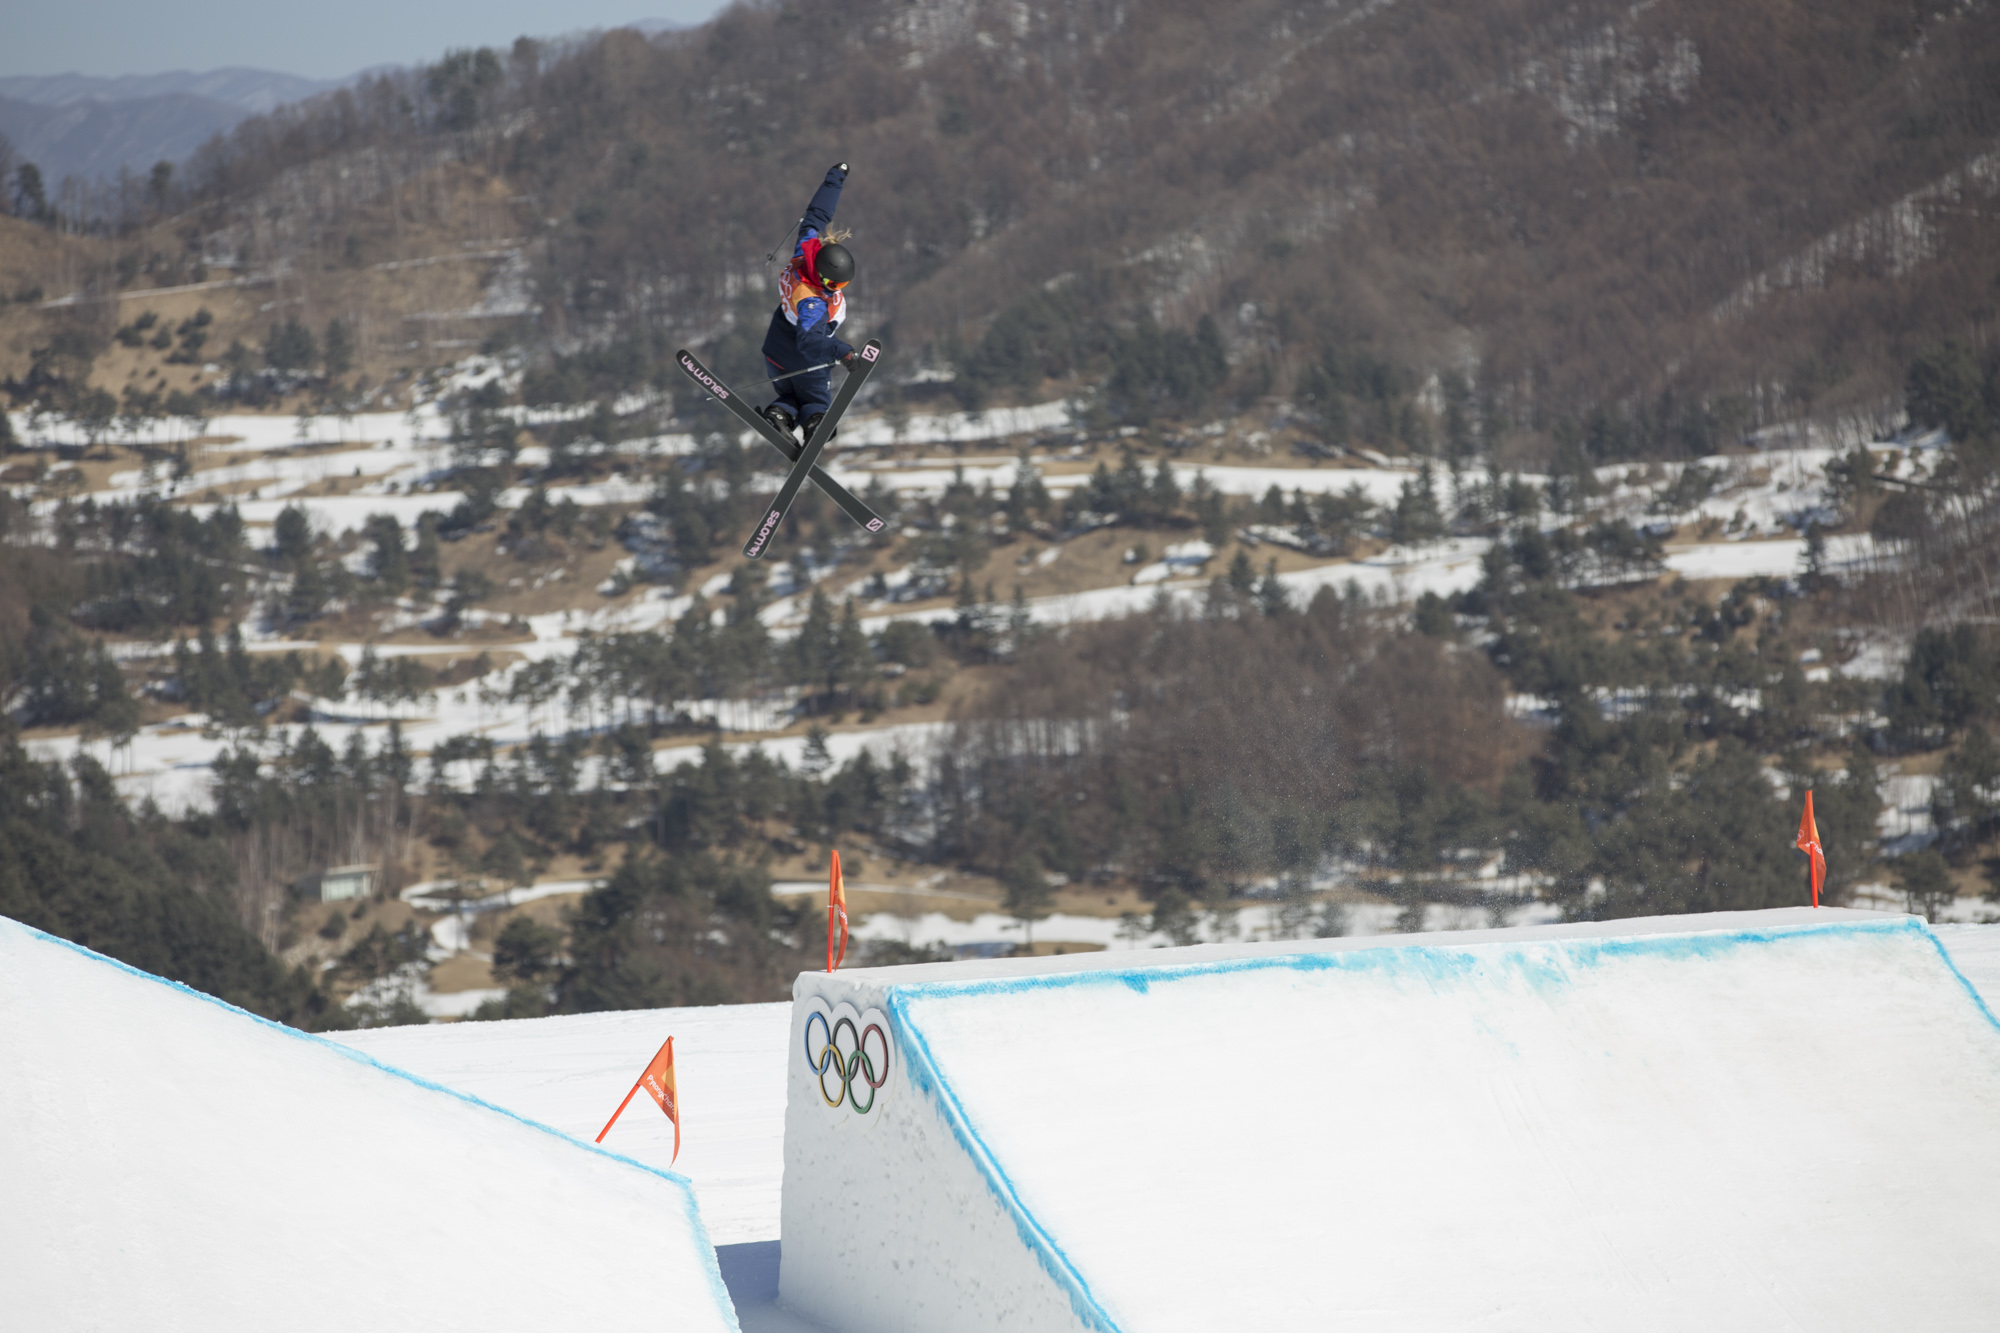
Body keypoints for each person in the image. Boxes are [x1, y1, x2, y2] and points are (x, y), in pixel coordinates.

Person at [761, 163, 860, 444]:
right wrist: (844, 352)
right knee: (816, 399)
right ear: (822, 275)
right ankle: (816, 422)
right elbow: (809, 342)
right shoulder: (813, 303)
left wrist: (834, 180)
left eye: (842, 286)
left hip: (775, 349)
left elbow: (816, 215)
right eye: (833, 284)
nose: (835, 290)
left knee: (790, 394)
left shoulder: (806, 252)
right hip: (803, 356)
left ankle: (779, 415)